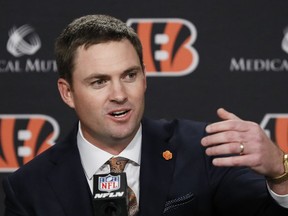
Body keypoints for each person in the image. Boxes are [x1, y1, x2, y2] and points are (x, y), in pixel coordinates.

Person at [2, 14, 288, 216]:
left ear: (145, 78)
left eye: (129, 75)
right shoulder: (29, 186)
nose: (119, 94)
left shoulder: (203, 149)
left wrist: (280, 172)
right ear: (67, 93)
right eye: (99, 81)